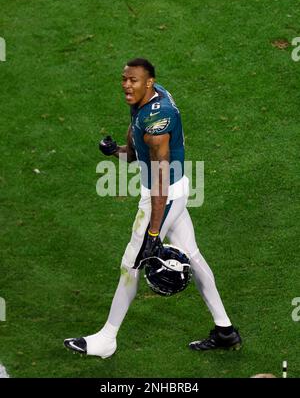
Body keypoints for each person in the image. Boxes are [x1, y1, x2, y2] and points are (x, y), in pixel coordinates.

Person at [64, 58, 241, 358]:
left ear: (148, 82)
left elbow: (159, 184)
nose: (125, 85)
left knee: (130, 262)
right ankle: (225, 331)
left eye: (132, 80)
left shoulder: (158, 124)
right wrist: (118, 152)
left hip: (164, 195)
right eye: (124, 79)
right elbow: (136, 150)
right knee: (193, 254)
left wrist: (154, 233)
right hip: (172, 189)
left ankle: (107, 339)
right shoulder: (150, 97)